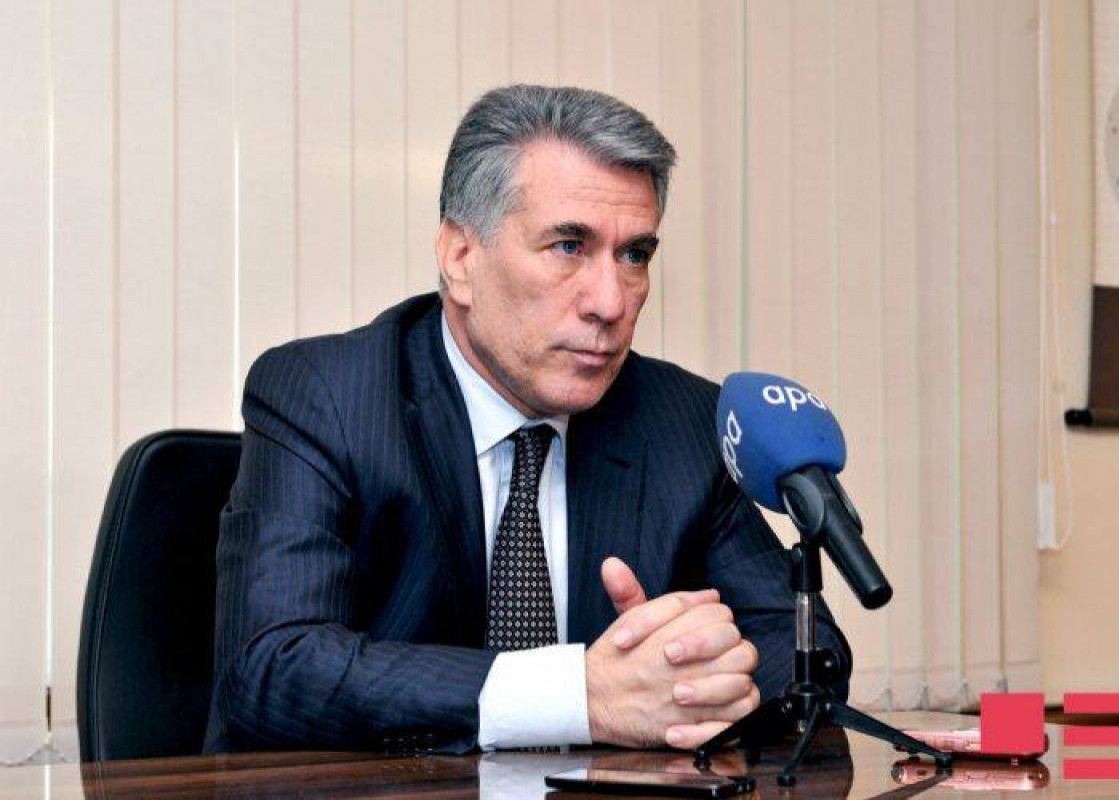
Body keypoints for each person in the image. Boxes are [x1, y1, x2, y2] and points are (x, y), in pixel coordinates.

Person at [205, 85, 851, 755]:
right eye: (569, 245)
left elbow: (806, 653)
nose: (610, 303)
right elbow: (271, 667)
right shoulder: (328, 395)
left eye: (634, 255)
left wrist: (695, 674)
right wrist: (577, 697)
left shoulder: (683, 419)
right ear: (461, 258)